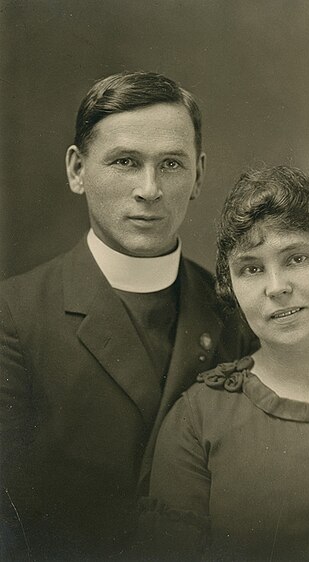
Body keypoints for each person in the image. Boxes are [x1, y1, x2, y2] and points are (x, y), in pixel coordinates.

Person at [0, 71, 256, 561]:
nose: (150, 189)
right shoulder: (14, 316)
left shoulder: (235, 311)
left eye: (172, 165)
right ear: (77, 170)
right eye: (125, 162)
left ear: (199, 175)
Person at [139, 165, 309, 561]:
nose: (276, 287)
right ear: (231, 287)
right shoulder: (198, 420)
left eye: (297, 258)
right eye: (251, 269)